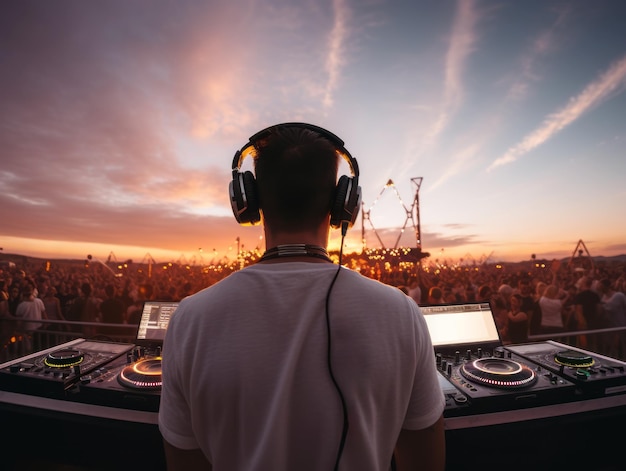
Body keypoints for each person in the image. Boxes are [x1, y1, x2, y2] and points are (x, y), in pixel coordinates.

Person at [158, 123, 446, 471]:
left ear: (250, 201)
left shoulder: (191, 319)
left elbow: (184, 462)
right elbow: (425, 460)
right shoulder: (400, 312)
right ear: (343, 204)